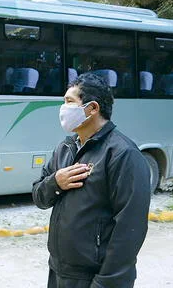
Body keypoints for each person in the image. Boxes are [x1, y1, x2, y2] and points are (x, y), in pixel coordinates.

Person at [32, 72, 151, 288]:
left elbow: (129, 230)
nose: (63, 109)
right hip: (59, 271)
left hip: (92, 278)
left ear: (92, 108)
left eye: (69, 102)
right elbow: (39, 197)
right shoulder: (65, 148)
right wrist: (55, 183)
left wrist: (105, 284)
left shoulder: (123, 154)